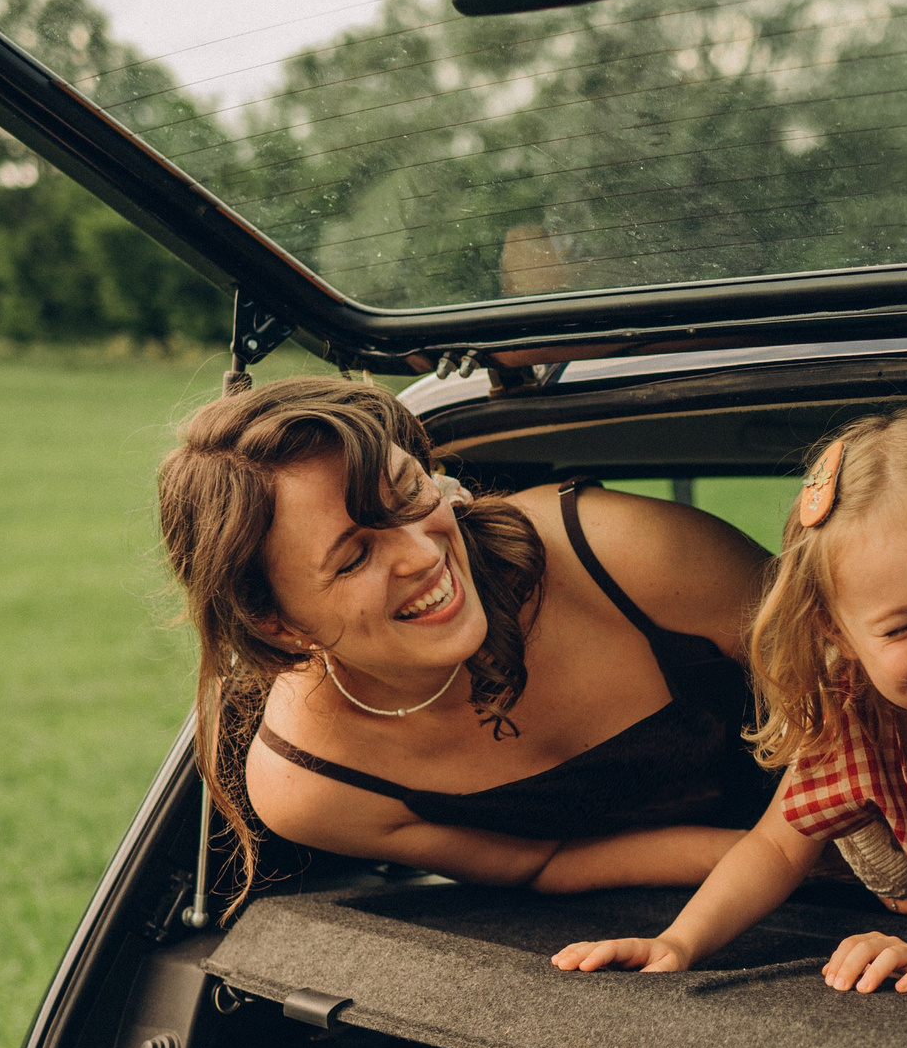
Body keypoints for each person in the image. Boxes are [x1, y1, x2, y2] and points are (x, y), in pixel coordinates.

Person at [552, 407, 907, 991]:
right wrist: (679, 941)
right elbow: (776, 847)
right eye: (900, 629)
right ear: (837, 633)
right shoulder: (853, 706)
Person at [156, 379, 775, 897]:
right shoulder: (311, 784)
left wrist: (818, 852)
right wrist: (780, 864)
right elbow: (542, 863)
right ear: (281, 626)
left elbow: (849, 666)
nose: (421, 553)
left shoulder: (614, 550)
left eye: (407, 493)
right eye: (353, 559)